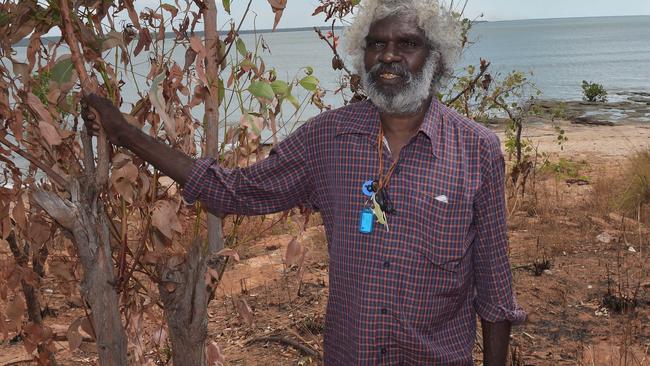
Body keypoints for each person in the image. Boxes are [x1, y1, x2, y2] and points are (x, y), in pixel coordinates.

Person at [83, 0, 525, 364]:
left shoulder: (477, 149)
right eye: (376, 44)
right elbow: (234, 190)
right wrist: (126, 134)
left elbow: (493, 285)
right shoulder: (326, 139)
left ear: (435, 57)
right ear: (362, 55)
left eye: (407, 44)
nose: (389, 55)